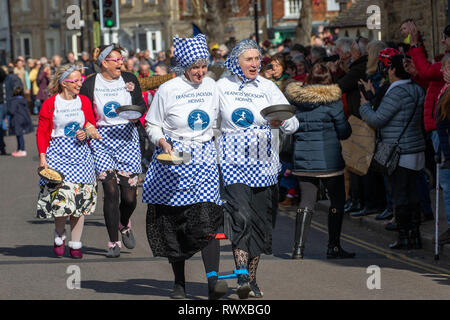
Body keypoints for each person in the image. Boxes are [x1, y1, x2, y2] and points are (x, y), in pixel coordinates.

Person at [143, 34, 227, 300]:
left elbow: (224, 117)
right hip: (173, 160)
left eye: (203, 66)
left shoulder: (212, 85)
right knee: (174, 223)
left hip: (203, 159)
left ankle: (213, 283)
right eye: (194, 67)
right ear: (182, 66)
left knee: (208, 220)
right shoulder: (168, 90)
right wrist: (161, 141)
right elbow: (152, 123)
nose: (200, 72)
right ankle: (179, 283)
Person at [217, 39, 299, 299]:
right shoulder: (221, 87)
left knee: (261, 225)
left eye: (257, 59)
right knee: (241, 218)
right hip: (232, 164)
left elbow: (293, 122)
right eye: (248, 59)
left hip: (264, 165)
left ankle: (252, 279)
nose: (254, 64)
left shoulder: (268, 87)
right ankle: (241, 275)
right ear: (236, 62)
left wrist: (281, 122)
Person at [80, 44, 147, 258]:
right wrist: (89, 126)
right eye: (116, 59)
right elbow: (83, 110)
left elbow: (140, 104)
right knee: (110, 192)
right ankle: (113, 242)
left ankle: (124, 222)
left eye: (121, 59)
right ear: (104, 63)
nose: (121, 62)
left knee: (129, 198)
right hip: (102, 139)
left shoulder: (129, 79)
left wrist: (135, 115)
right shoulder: (90, 83)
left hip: (127, 137)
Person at [284, 63, 355, 259]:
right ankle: (333, 246)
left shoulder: (296, 100)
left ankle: (298, 249)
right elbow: (344, 132)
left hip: (303, 158)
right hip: (329, 160)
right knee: (337, 201)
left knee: (306, 201)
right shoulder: (333, 102)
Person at [359, 54, 426, 250]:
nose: (387, 71)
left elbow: (377, 119)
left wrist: (364, 107)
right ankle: (415, 236)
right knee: (413, 195)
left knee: (400, 196)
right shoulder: (416, 89)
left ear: (394, 70)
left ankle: (404, 237)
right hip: (415, 149)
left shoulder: (397, 92)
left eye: (388, 68)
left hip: (399, 152)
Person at [36, 64, 100, 258]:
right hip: (58, 154)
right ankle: (59, 233)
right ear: (64, 83)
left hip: (81, 156)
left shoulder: (84, 101)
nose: (80, 83)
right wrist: (42, 158)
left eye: (81, 80)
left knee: (79, 202)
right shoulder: (50, 103)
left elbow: (91, 124)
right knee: (62, 202)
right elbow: (42, 132)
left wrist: (86, 133)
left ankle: (76, 243)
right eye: (76, 81)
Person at [336, 37, 369, 214]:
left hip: (359, 120)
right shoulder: (355, 68)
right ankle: (355, 199)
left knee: (358, 164)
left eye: (341, 51)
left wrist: (337, 74)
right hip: (353, 119)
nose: (339, 55)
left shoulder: (358, 68)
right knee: (353, 163)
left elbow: (340, 86)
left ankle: (360, 200)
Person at [435, 53, 450, 245]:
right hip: (445, 148)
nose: (441, 71)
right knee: (447, 188)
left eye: (445, 67)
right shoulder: (445, 90)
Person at [7, 86, 33, 157]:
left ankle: (22, 149)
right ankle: (19, 149)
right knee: (20, 135)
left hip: (17, 119)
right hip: (23, 119)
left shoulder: (14, 101)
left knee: (19, 135)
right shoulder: (24, 100)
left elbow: (11, 111)